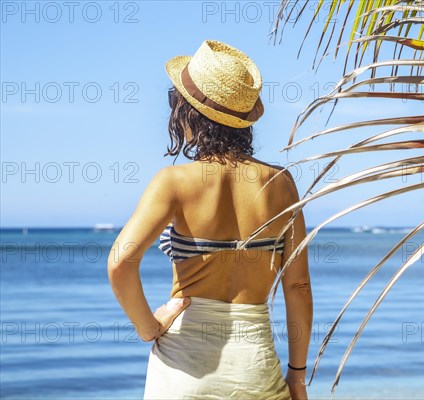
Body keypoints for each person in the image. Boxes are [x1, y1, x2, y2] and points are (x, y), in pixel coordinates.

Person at [107, 40, 313, 399]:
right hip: (255, 370)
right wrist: (296, 377)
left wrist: (148, 327)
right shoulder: (281, 184)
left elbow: (121, 262)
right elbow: (297, 287)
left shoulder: (174, 182)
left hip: (183, 370)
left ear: (189, 113)